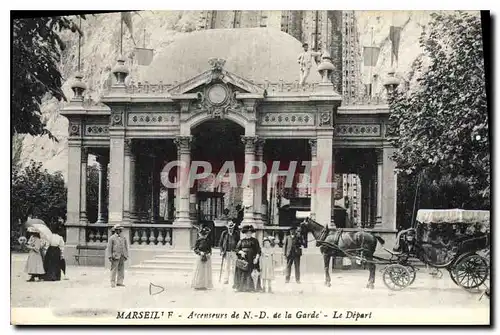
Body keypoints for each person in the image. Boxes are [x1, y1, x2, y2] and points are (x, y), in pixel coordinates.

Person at [234, 225, 262, 292]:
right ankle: (241, 287)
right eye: (247, 232)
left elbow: (258, 250)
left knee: (251, 272)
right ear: (245, 233)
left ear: (252, 233)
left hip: (252, 258)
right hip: (243, 259)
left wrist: (257, 258)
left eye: (250, 232)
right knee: (242, 272)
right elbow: (237, 249)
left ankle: (251, 288)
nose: (248, 234)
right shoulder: (241, 241)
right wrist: (241, 252)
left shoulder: (255, 241)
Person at [218, 221, 240, 285]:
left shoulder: (236, 233)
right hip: (227, 251)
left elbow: (239, 243)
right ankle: (226, 279)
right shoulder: (224, 233)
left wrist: (237, 250)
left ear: (233, 227)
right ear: (227, 228)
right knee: (227, 266)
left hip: (234, 252)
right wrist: (221, 251)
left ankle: (234, 280)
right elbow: (220, 243)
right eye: (229, 228)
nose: (230, 229)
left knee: (234, 266)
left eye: (232, 228)